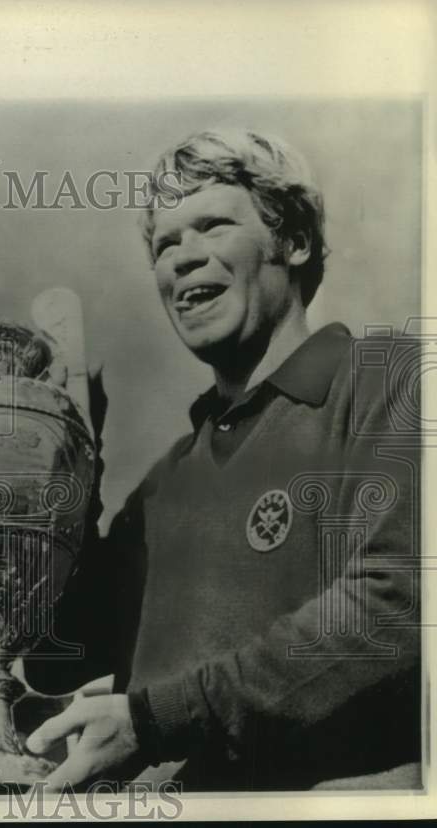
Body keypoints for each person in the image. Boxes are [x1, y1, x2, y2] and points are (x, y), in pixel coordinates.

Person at [24, 129, 421, 791]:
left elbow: (396, 606)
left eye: (210, 226)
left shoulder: (387, 380)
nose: (181, 259)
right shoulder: (161, 487)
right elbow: (54, 655)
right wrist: (67, 475)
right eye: (165, 244)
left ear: (292, 242)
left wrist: (158, 721)